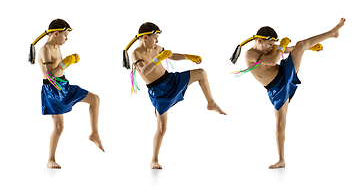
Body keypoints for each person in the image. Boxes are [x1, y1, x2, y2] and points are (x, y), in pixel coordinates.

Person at [232, 18, 345, 169]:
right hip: (275, 89)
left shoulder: (272, 49)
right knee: (280, 125)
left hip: (285, 73)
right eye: (269, 44)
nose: (270, 47)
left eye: (273, 45)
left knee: (301, 44)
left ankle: (332, 33)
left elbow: (288, 50)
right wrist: (281, 47)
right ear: (259, 41)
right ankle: (281, 160)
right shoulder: (249, 54)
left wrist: (307, 48)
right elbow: (272, 61)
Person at [123, 22, 226, 169]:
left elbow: (171, 55)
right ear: (145, 38)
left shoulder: (156, 48)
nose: (157, 41)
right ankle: (154, 159)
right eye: (155, 38)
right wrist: (158, 59)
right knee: (162, 128)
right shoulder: (136, 54)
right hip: (158, 91)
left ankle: (211, 103)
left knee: (201, 73)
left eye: (158, 38)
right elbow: (144, 70)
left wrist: (187, 57)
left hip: (171, 79)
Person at [29, 19, 105, 169]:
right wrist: (67, 62)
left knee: (95, 99)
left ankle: (94, 133)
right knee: (59, 127)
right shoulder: (45, 50)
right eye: (65, 35)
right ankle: (50, 159)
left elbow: (59, 72)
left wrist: (67, 62)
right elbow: (49, 76)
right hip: (52, 90)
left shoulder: (57, 46)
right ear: (56, 33)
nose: (67, 38)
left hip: (64, 85)